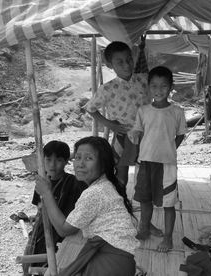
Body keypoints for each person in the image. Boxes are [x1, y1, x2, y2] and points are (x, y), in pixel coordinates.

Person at [35, 136, 139, 275]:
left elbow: (64, 230)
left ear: (103, 164)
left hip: (112, 263)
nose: (80, 164)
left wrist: (47, 194)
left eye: (88, 158)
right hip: (118, 260)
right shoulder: (104, 185)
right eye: (77, 158)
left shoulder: (95, 192)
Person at [128, 66, 187, 252]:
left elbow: (180, 135)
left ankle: (168, 238)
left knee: (168, 204)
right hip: (145, 162)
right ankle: (144, 228)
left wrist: (169, 150)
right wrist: (135, 134)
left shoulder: (177, 111)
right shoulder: (143, 110)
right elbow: (139, 129)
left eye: (163, 86)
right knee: (145, 200)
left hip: (167, 165)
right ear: (148, 87)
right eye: (154, 86)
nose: (158, 90)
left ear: (171, 87)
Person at [86, 41, 150, 189]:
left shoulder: (145, 79)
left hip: (147, 134)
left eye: (129, 59)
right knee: (121, 173)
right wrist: (109, 124)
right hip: (123, 135)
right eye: (119, 62)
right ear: (110, 65)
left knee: (146, 173)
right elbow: (90, 108)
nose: (126, 65)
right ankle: (122, 203)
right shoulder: (107, 89)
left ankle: (146, 203)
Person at [24, 141, 87, 273]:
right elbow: (39, 211)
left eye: (58, 160)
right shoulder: (41, 183)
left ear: (66, 162)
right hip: (42, 232)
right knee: (30, 264)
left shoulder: (75, 184)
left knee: (56, 267)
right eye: (48, 159)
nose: (52, 165)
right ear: (43, 160)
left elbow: (74, 218)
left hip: (64, 235)